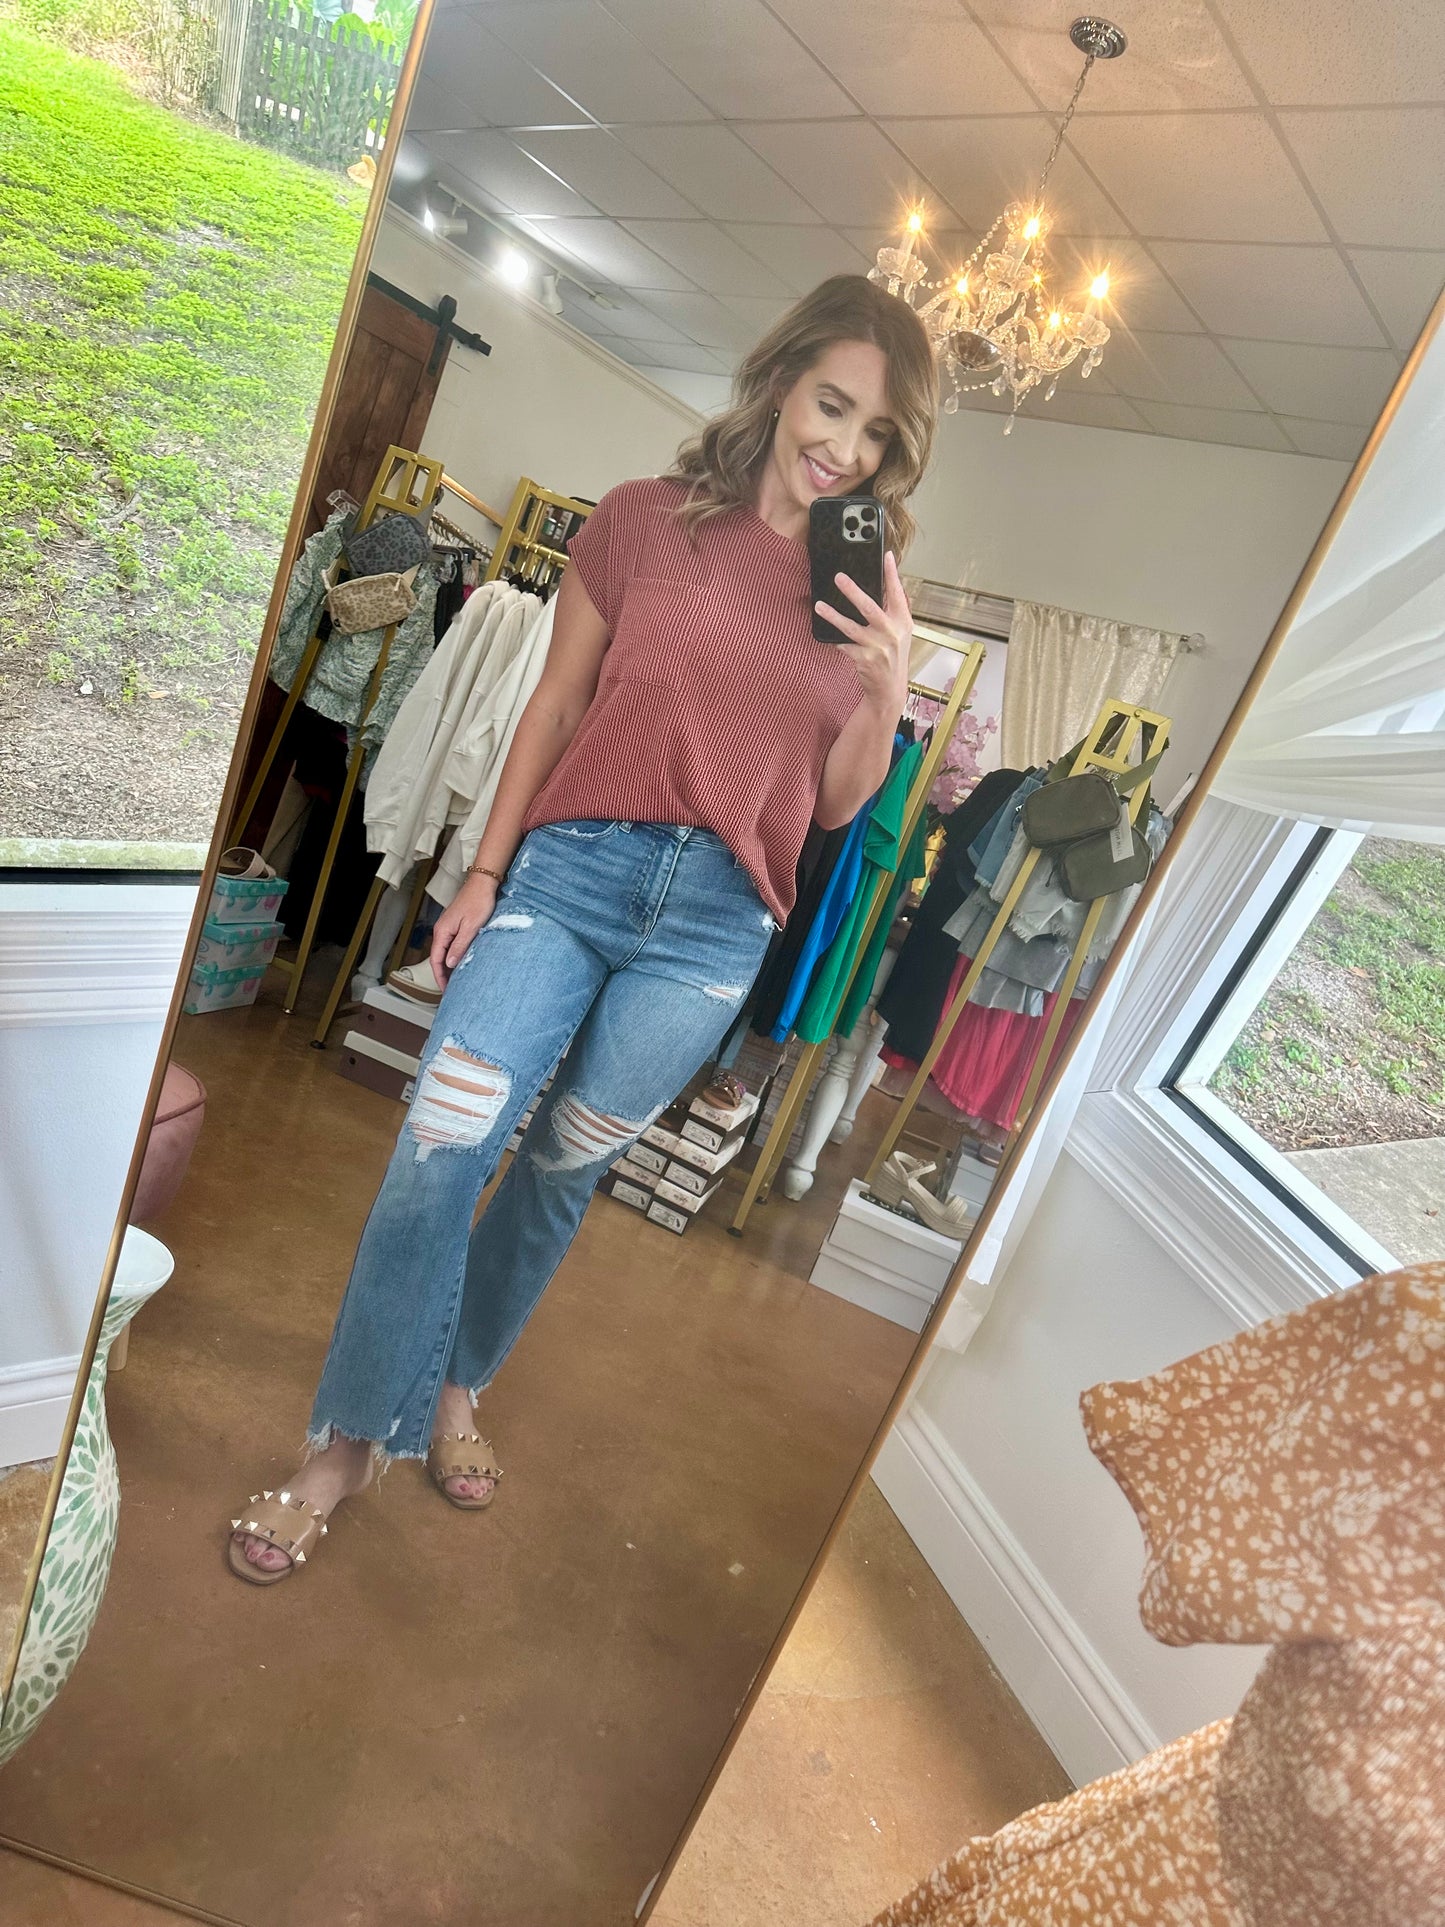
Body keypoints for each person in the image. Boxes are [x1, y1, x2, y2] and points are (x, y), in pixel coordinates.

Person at [228, 273, 938, 1583]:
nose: (844, 447)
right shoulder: (640, 522)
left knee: (560, 1171)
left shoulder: (863, 586)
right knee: (442, 1145)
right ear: (781, 381)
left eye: (878, 432)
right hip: (568, 875)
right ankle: (347, 1440)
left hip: (714, 931)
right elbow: (553, 705)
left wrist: (888, 689)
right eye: (832, 404)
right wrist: (483, 873)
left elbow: (838, 806)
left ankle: (457, 1386)